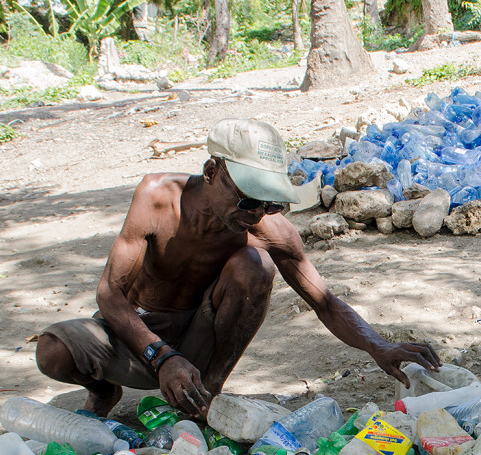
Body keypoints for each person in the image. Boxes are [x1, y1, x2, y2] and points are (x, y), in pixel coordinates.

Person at [36, 117, 441, 418]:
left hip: (196, 340)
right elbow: (110, 294)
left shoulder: (267, 231)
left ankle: (205, 395)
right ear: (212, 172)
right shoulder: (157, 198)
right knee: (54, 351)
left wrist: (377, 344)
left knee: (255, 265)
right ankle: (104, 391)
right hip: (135, 333)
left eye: (271, 203)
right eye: (249, 200)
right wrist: (161, 358)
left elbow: (325, 302)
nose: (258, 214)